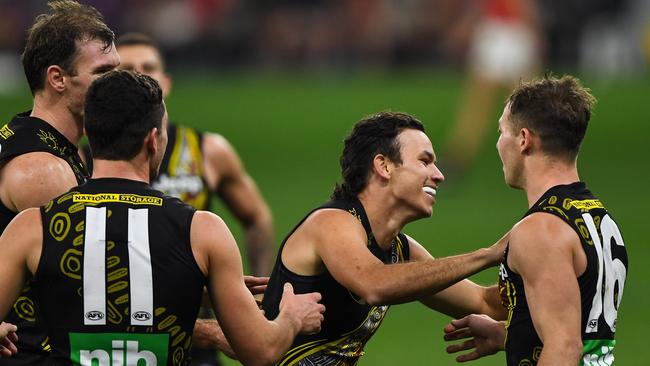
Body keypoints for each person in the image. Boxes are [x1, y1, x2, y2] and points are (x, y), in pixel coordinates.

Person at [0, 69, 325, 365]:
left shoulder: (32, 227)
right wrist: (293, 316)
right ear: (153, 140)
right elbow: (261, 351)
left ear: (89, 131)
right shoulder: (202, 231)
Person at [261, 111, 509, 365]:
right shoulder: (331, 222)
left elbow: (485, 303)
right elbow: (375, 284)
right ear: (384, 166)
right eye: (425, 161)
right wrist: (488, 255)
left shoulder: (399, 249)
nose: (439, 174)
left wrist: (539, 266)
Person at [92, 32, 276, 365]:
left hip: (199, 338)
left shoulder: (207, 150)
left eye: (149, 67)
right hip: (121, 335)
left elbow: (257, 217)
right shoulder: (91, 154)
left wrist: (259, 295)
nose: (141, 75)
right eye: (129, 68)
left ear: (166, 80)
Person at [443, 75, 628, 365]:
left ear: (524, 140)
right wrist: (512, 335)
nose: (497, 144)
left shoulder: (540, 230)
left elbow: (565, 348)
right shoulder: (596, 215)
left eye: (502, 132)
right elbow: (581, 324)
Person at [0, 1, 119, 364]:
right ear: (58, 78)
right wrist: (213, 323)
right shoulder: (43, 170)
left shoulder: (39, 142)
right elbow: (98, 293)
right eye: (104, 72)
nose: (120, 83)